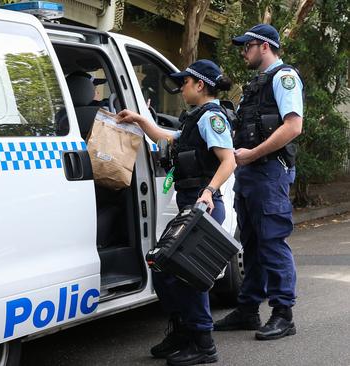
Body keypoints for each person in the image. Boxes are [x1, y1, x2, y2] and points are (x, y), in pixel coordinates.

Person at [117, 59, 236, 365]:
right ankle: (182, 332)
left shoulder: (212, 118)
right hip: (189, 205)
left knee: (188, 277)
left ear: (200, 85)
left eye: (185, 82)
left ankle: (203, 343)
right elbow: (168, 139)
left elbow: (228, 160)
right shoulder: (193, 118)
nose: (182, 87)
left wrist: (208, 192)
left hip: (204, 205)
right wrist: (140, 121)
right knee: (163, 270)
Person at [213, 24, 303, 341]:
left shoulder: (283, 78)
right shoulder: (256, 84)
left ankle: (283, 314)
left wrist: (253, 154)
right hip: (250, 175)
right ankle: (249, 309)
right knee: (249, 244)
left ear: (264, 46)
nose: (243, 51)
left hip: (268, 172)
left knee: (272, 243)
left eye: (247, 46)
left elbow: (293, 127)